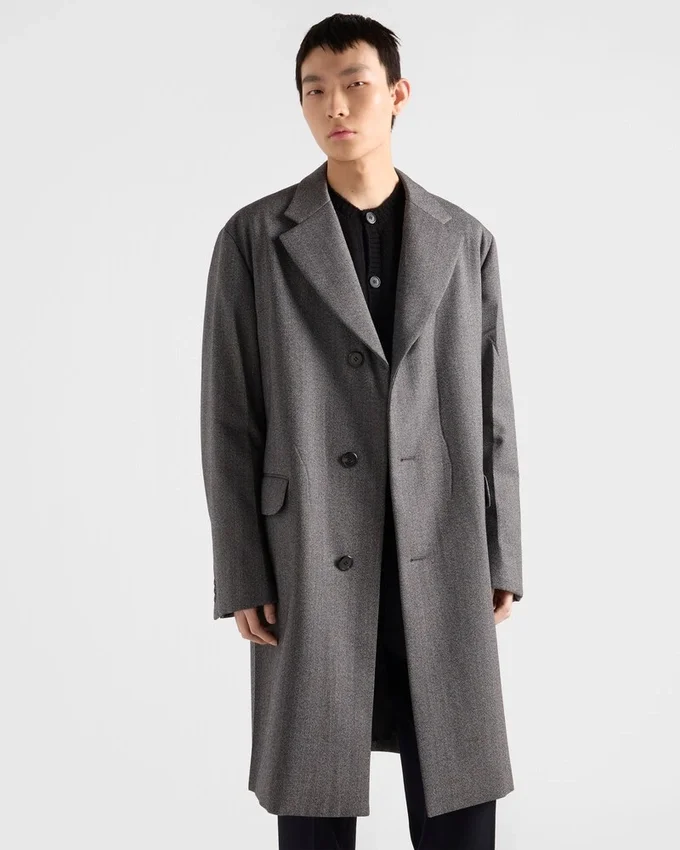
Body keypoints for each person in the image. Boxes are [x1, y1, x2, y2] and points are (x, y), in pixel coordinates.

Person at [200, 13, 523, 850]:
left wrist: (502, 552)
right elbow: (229, 416)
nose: (335, 105)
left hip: (440, 540)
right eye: (315, 90)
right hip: (307, 547)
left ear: (398, 94)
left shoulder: (464, 241)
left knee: (458, 796)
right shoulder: (254, 239)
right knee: (315, 794)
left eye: (355, 84)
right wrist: (242, 567)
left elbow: (493, 409)